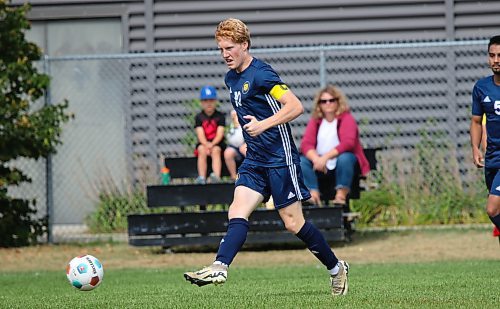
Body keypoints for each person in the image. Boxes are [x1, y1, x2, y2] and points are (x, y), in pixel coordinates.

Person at [184, 18, 349, 297]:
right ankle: (220, 265)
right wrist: (249, 139)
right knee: (237, 210)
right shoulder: (231, 78)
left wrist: (263, 125)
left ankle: (337, 268)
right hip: (255, 160)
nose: (225, 54)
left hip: (279, 159)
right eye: (221, 48)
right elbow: (247, 111)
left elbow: (294, 106)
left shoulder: (262, 74)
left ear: (245, 45)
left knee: (293, 223)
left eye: (230, 47)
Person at [300, 85, 370, 207]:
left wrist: (325, 158)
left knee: (345, 158)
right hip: (320, 165)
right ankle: (313, 194)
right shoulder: (315, 121)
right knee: (302, 161)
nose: (328, 104)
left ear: (338, 102)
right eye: (323, 101)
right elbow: (306, 144)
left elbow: (348, 142)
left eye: (331, 100)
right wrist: (317, 159)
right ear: (319, 104)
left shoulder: (347, 119)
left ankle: (341, 195)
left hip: (340, 163)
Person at [470, 35, 500, 238]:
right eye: (492, 55)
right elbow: (475, 121)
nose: (496, 60)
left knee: (492, 208)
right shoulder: (481, 88)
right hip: (491, 158)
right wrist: (475, 148)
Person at [194, 85, 226, 184]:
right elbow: (200, 134)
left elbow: (220, 133)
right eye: (205, 101)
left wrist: (212, 145)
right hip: (204, 144)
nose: (209, 104)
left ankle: (216, 176)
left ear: (215, 101)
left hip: (216, 143)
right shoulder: (199, 117)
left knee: (216, 150)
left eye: (211, 101)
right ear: (201, 102)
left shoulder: (220, 116)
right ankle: (202, 177)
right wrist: (206, 144)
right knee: (201, 150)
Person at [224, 110, 247, 180]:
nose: (235, 118)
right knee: (228, 153)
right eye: (233, 117)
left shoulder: (245, 123)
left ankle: (252, 173)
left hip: (245, 145)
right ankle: (234, 176)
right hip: (234, 147)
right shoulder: (231, 126)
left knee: (244, 149)